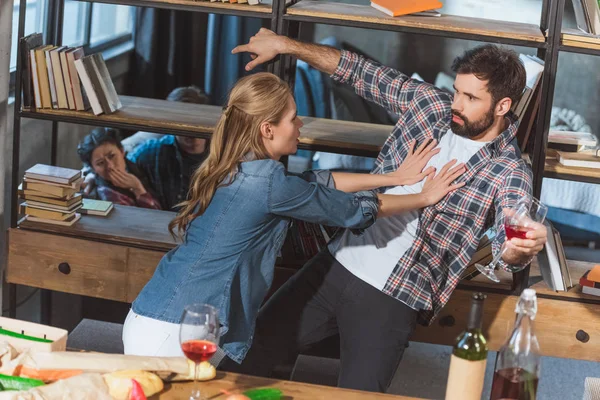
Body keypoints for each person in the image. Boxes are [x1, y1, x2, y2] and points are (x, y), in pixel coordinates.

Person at [226, 29, 549, 392]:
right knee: (245, 361)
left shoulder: (508, 170)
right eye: (457, 91)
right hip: (336, 263)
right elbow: (358, 71)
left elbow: (512, 233)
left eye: (471, 97)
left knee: (359, 395)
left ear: (503, 106)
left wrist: (517, 248)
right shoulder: (430, 105)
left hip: (395, 297)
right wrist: (286, 45)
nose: (456, 104)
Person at [122, 72, 466, 365]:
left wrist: (394, 179)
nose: (300, 124)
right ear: (267, 129)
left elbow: (315, 182)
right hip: (177, 332)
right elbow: (352, 210)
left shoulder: (241, 166)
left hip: (156, 313)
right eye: (293, 118)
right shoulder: (268, 183)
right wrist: (422, 197)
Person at [127, 86, 211, 210]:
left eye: (197, 121)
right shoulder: (153, 152)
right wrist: (92, 173)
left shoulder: (225, 153)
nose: (192, 130)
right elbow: (120, 159)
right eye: (184, 123)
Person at [77, 128, 161, 210]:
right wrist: (138, 189)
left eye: (112, 156)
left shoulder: (140, 161)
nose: (110, 166)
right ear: (93, 168)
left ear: (122, 151)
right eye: (100, 163)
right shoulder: (107, 195)